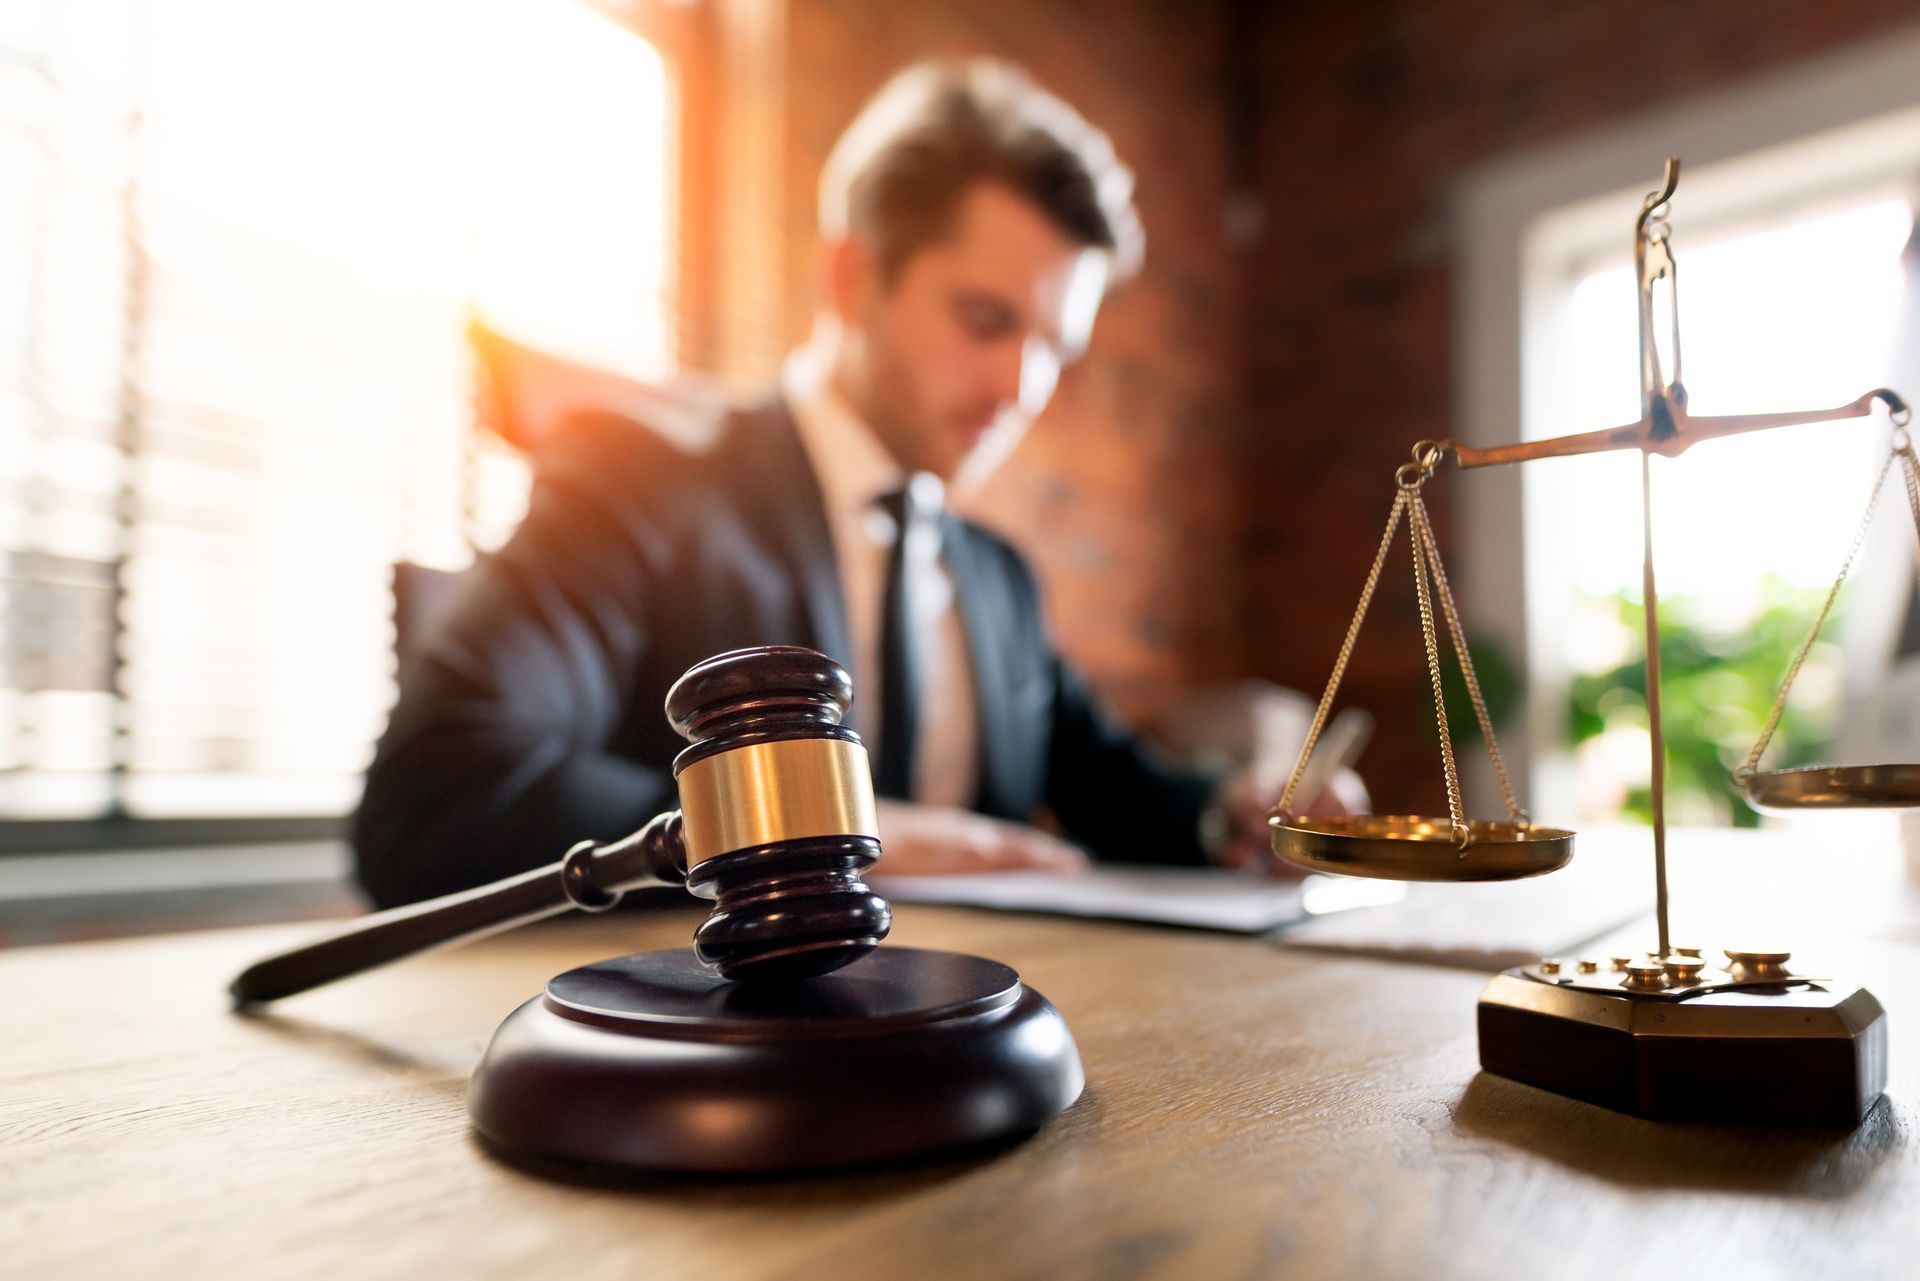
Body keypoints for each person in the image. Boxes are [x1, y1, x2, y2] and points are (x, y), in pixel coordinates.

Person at [353, 58, 1359, 908]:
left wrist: (1231, 814)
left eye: (1054, 347)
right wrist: (826, 826)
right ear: (851, 279)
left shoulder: (998, 580)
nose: (1021, 388)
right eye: (983, 320)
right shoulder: (641, 486)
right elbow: (434, 797)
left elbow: (1113, 790)